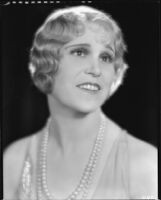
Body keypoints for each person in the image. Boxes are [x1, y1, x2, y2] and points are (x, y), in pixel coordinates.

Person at [3, 5, 157, 200]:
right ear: (46, 63)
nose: (96, 69)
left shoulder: (144, 164)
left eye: (106, 57)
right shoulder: (14, 159)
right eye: (80, 52)